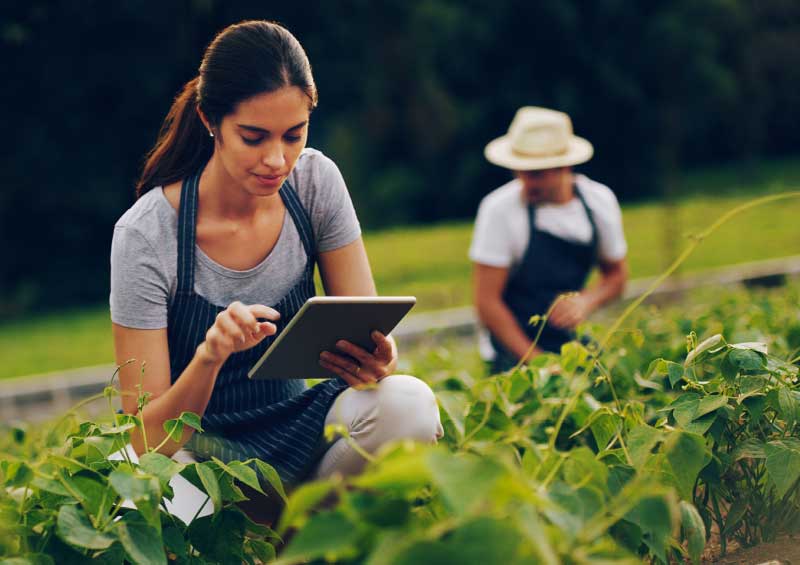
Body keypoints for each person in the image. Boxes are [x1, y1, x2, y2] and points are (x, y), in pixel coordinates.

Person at [109, 20, 443, 501]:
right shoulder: (145, 236)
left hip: (296, 427)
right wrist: (211, 355)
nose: (277, 160)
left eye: (294, 135)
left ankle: (292, 538)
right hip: (195, 454)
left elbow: (365, 325)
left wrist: (378, 359)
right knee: (138, 483)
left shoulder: (315, 184)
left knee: (409, 405)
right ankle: (275, 542)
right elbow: (146, 439)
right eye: (254, 137)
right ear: (210, 121)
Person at [470, 106, 629, 373]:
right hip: (512, 348)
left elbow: (617, 276)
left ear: (564, 166)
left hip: (568, 343)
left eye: (536, 173)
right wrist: (538, 363)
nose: (526, 181)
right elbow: (487, 302)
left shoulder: (599, 202)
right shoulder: (500, 210)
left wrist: (586, 301)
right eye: (520, 171)